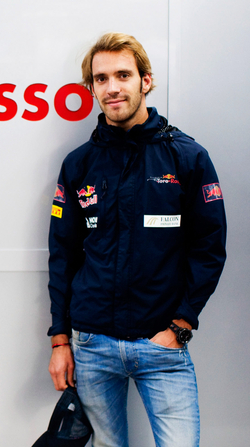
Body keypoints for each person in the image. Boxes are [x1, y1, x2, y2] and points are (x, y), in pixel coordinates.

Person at [46, 32, 227, 447]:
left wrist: (180, 326)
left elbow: (209, 250)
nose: (112, 87)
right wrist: (61, 339)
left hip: (162, 346)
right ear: (91, 87)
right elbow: (63, 254)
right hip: (92, 346)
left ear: (146, 80)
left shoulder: (187, 157)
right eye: (101, 78)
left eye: (123, 75)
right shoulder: (79, 164)